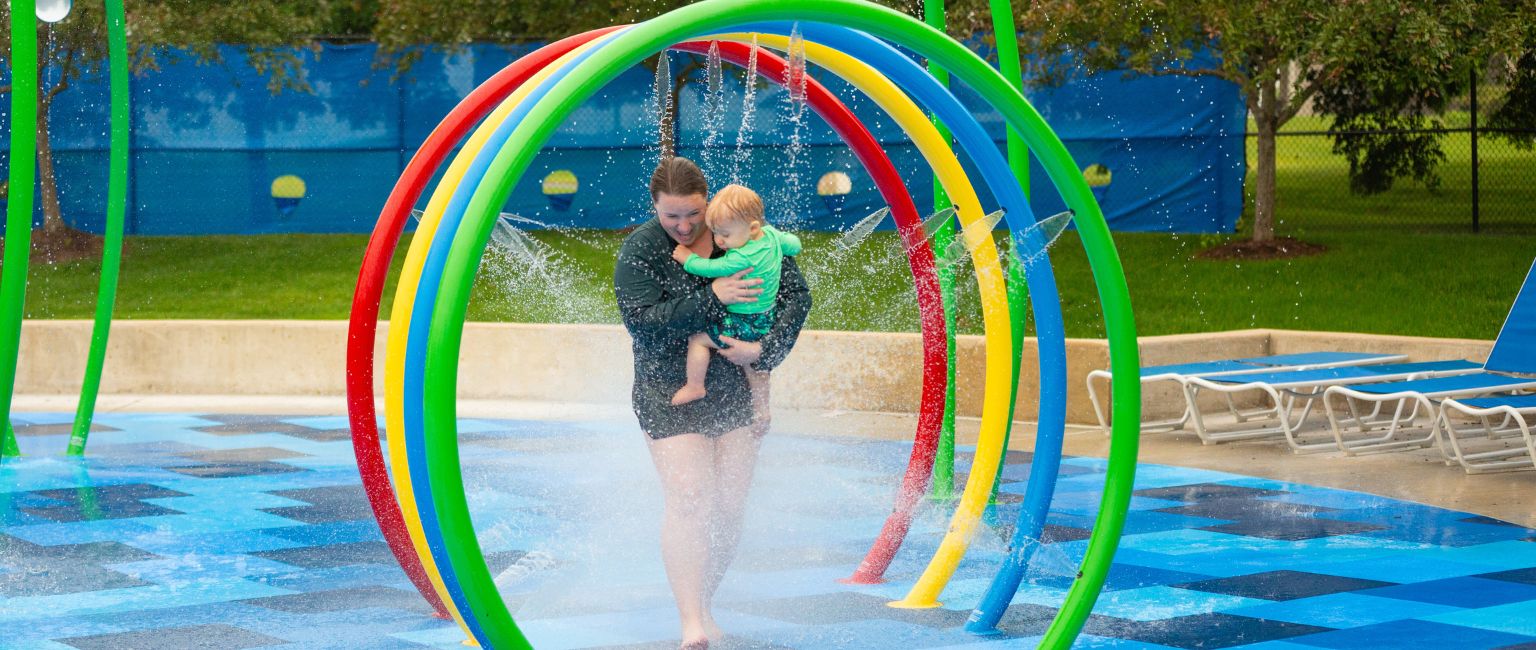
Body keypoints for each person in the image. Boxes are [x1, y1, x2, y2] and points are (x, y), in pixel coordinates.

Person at [613, 157, 811, 649]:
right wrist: (712, 297)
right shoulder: (640, 251)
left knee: (728, 506)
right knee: (690, 500)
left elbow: (795, 297)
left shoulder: (740, 229)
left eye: (692, 215)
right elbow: (642, 322)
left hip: (737, 386)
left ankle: (705, 600)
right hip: (669, 388)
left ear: (708, 202)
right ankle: (691, 624)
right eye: (670, 216)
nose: (683, 226)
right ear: (654, 207)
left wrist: (763, 351)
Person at [669, 183, 803, 407]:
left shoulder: (739, 258)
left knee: (698, 340)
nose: (719, 241)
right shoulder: (771, 235)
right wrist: (785, 240)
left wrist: (687, 258)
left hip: (743, 320)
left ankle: (695, 386)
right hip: (766, 317)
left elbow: (709, 268)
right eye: (716, 233)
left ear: (752, 228)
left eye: (725, 234)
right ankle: (761, 408)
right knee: (754, 364)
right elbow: (795, 245)